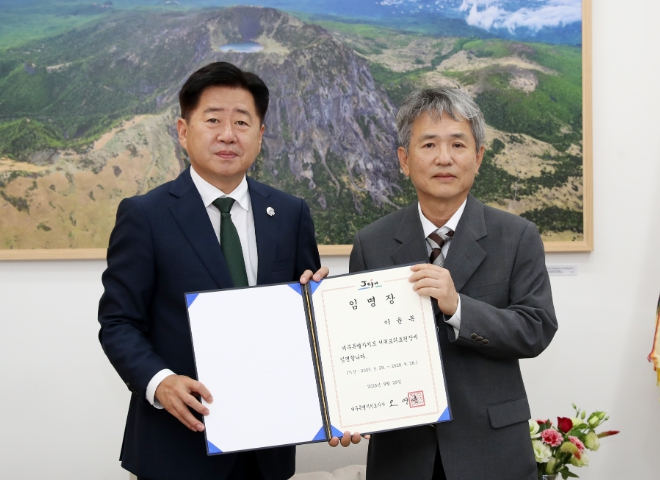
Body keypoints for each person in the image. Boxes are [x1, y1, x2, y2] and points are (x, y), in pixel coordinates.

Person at [98, 62, 328, 480]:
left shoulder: (290, 213)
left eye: (242, 122)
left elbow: (307, 319)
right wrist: (160, 382)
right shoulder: (145, 215)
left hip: (267, 448)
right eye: (213, 120)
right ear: (183, 131)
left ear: (260, 134)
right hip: (177, 447)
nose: (227, 134)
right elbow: (118, 322)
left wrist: (322, 305)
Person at [345, 88, 558, 479]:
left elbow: (536, 328)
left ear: (478, 158)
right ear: (404, 160)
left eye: (458, 144)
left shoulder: (517, 236)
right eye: (429, 144)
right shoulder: (371, 242)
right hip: (402, 455)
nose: (444, 158)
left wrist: (458, 307)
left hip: (491, 451)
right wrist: (348, 407)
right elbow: (357, 345)